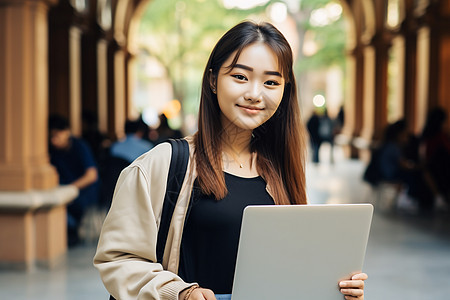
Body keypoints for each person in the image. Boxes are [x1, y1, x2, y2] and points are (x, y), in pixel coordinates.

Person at [94, 21, 367, 300]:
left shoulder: (280, 169)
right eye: (240, 77)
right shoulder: (161, 164)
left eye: (271, 82)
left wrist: (336, 287)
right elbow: (117, 260)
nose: (255, 94)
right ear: (213, 79)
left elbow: (290, 267)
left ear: (285, 92)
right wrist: (180, 293)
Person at [48, 114, 99, 246]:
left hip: (83, 191)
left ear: (67, 132)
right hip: (63, 189)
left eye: (56, 135)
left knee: (71, 206)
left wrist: (70, 188)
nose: (54, 140)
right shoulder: (51, 151)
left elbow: (91, 175)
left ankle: (71, 231)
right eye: (51, 136)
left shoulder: (79, 146)